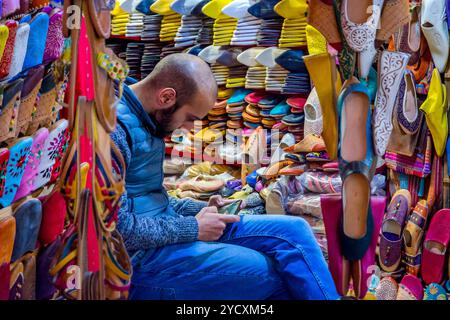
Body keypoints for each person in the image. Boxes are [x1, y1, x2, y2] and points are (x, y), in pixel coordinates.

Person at [110, 53, 339, 300]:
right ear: (166, 97)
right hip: (140, 260)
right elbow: (117, 228)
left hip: (164, 238)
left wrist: (195, 209)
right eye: (190, 119)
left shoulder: (147, 120)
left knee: (294, 232)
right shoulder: (114, 132)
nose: (188, 129)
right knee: (272, 274)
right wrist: (193, 227)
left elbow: (150, 199)